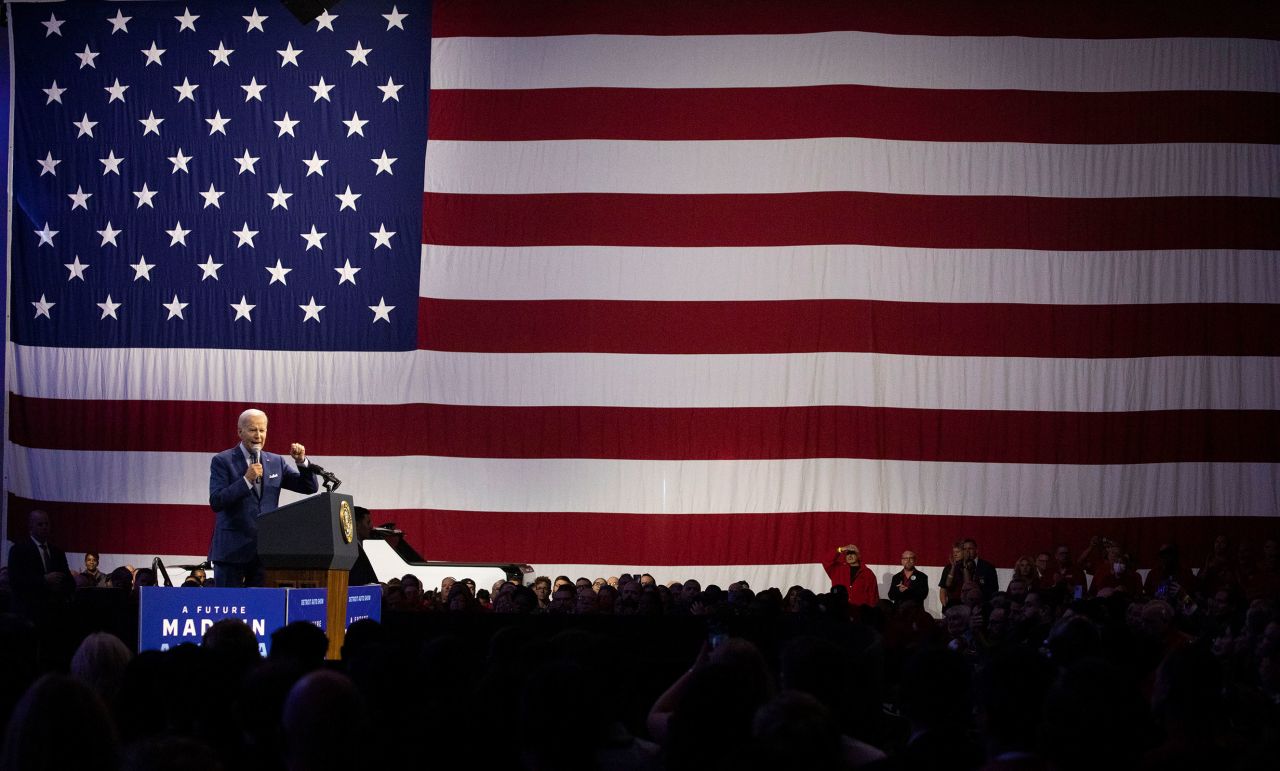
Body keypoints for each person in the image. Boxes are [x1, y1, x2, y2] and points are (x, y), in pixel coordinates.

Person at [208, 408, 319, 587]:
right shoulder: (222, 460)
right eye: (253, 429)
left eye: (262, 430)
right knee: (228, 606)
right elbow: (216, 501)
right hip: (230, 552)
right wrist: (245, 481)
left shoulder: (276, 462)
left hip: (264, 551)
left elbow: (309, 487)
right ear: (240, 431)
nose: (258, 435)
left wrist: (301, 462)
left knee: (261, 608)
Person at [6, 509, 73, 613]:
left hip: (55, 611)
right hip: (28, 610)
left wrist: (61, 586)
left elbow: (69, 581)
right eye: (40, 524)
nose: (44, 527)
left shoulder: (57, 552)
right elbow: (15, 581)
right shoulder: (18, 550)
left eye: (47, 524)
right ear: (31, 526)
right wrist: (44, 579)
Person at [348, 506, 378, 586]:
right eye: (368, 522)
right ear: (356, 525)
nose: (371, 526)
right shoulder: (353, 551)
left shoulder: (355, 548)